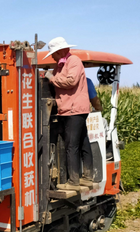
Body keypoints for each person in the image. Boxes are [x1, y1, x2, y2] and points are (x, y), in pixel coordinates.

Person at [44, 37, 93, 190]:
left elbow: (70, 81)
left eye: (53, 53)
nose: (52, 56)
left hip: (74, 109)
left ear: (60, 51)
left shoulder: (74, 61)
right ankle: (87, 177)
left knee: (71, 145)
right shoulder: (59, 66)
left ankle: (73, 181)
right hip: (69, 109)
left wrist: (51, 78)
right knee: (83, 141)